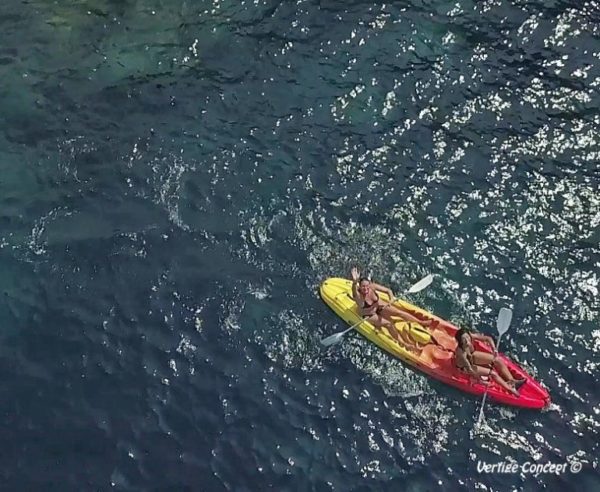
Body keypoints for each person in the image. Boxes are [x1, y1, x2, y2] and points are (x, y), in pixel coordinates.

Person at [350, 267, 432, 352]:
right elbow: (354, 292)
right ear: (359, 286)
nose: (366, 288)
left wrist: (391, 299)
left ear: (369, 284)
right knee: (389, 324)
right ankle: (404, 344)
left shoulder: (372, 287)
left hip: (379, 307)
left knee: (399, 312)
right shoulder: (358, 297)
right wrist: (354, 282)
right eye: (363, 286)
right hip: (369, 314)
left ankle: (421, 322)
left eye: (367, 286)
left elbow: (388, 290)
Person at [454, 328, 526, 396]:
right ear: (460, 341)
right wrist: (479, 380)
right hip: (465, 367)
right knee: (493, 374)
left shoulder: (471, 336)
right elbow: (470, 369)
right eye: (463, 339)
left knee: (497, 360)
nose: (467, 340)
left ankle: (512, 381)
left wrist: (493, 349)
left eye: (467, 337)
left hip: (472, 356)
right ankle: (510, 389)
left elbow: (488, 339)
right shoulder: (461, 353)